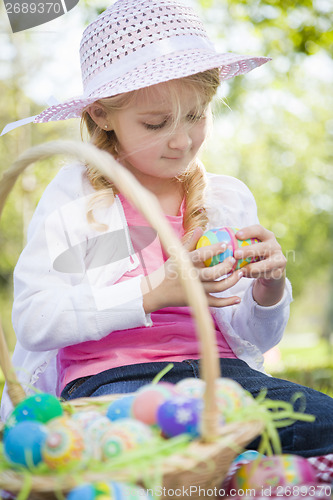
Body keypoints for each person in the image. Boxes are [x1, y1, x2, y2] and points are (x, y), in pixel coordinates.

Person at [1, 0, 333, 458]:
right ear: (101, 115)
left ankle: (228, 466)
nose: (182, 141)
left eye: (196, 115)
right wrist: (152, 292)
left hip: (223, 378)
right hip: (114, 383)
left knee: (322, 423)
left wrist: (269, 289)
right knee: (153, 449)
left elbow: (254, 338)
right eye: (156, 124)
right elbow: (35, 320)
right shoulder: (79, 199)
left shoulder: (226, 199)